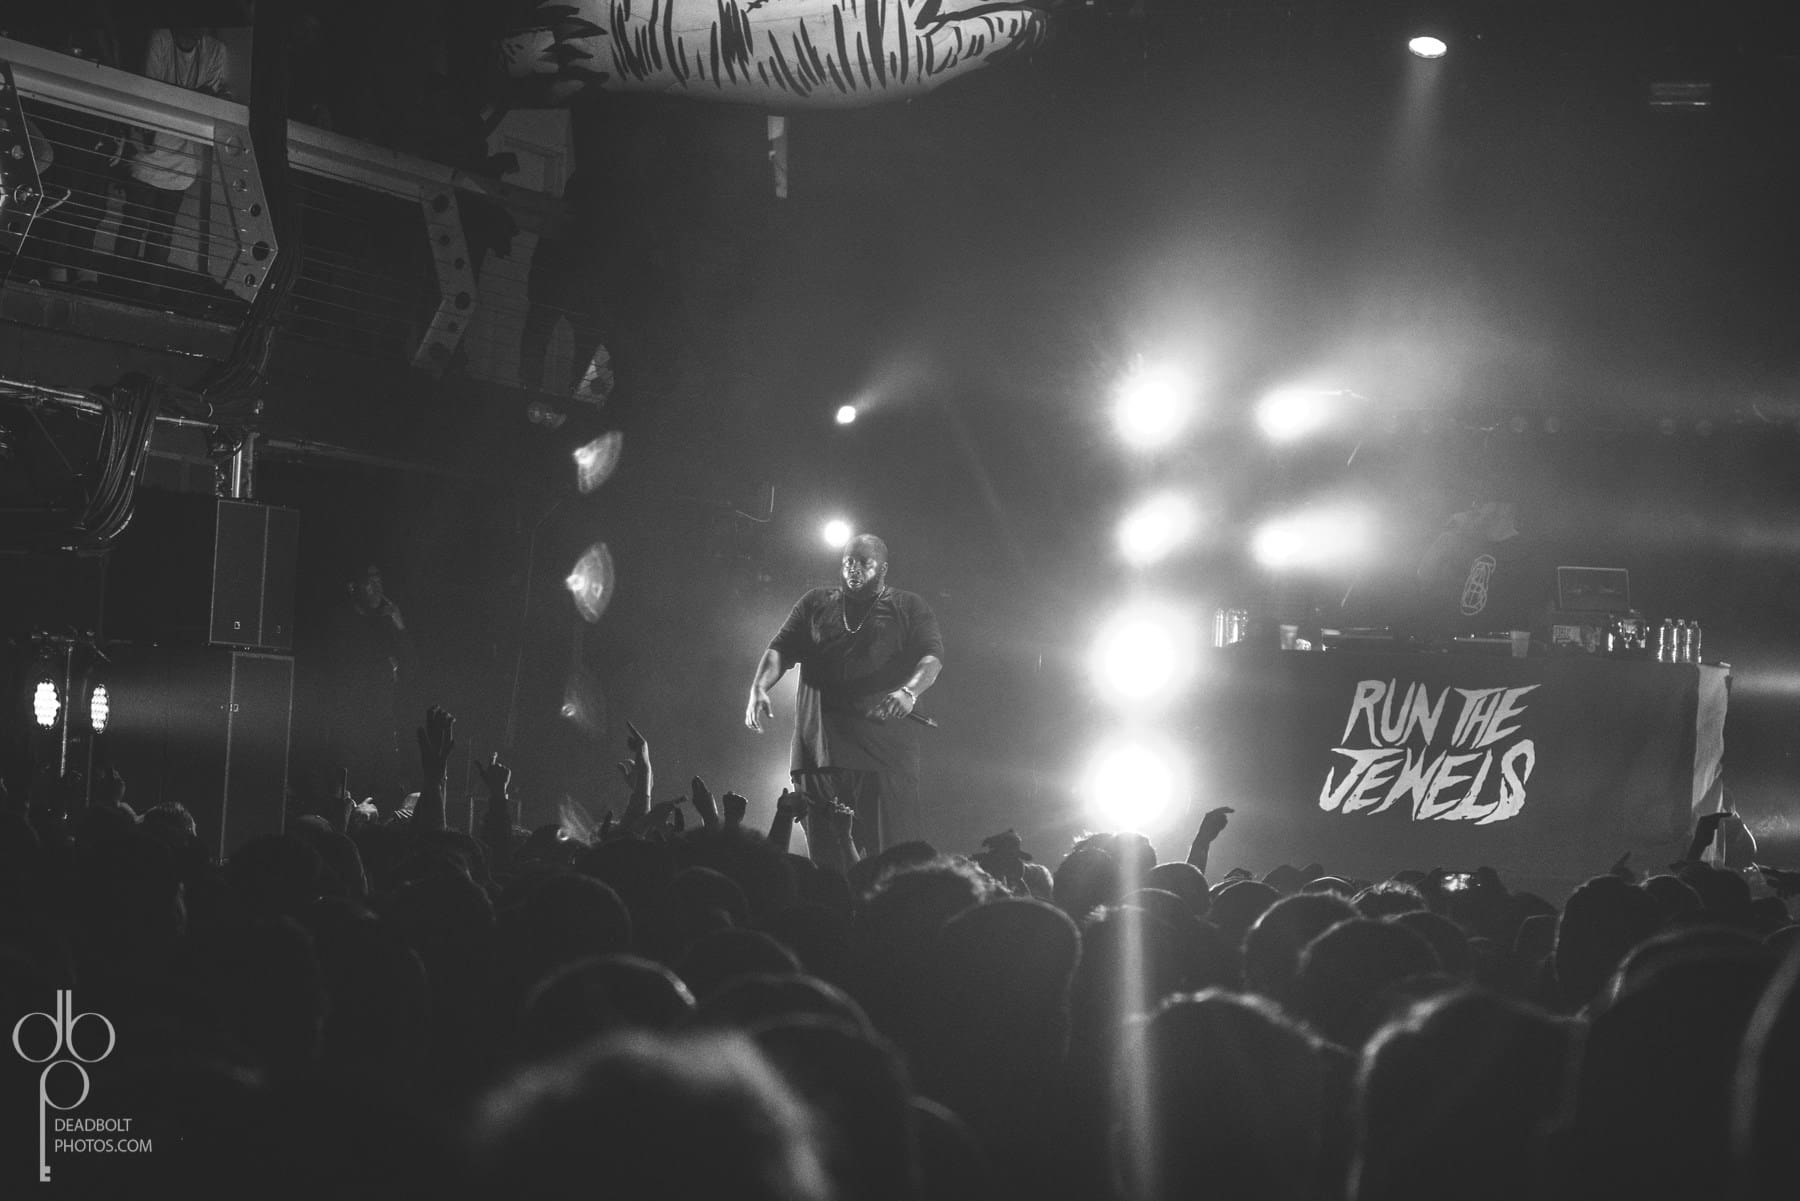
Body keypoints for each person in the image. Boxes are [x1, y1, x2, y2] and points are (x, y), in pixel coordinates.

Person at [745, 534, 944, 858]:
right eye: (849, 562)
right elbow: (780, 649)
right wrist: (758, 688)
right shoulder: (815, 603)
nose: (854, 569)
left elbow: (932, 657)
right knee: (827, 861)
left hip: (882, 758)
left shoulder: (908, 606)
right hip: (820, 754)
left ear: (883, 568)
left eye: (865, 563)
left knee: (889, 860)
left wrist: (910, 691)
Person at [117, 26, 230, 269]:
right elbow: (153, 92)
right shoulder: (162, 39)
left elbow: (206, 101)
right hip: (150, 151)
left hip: (181, 160)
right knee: (138, 225)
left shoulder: (214, 50)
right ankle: (121, 283)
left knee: (159, 230)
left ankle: (141, 286)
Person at [324, 563, 413, 808]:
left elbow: (410, 666)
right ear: (353, 587)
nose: (377, 588)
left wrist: (400, 626)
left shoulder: (384, 622)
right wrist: (385, 666)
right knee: (354, 791)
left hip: (383, 724)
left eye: (379, 581)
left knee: (386, 791)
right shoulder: (341, 622)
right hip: (352, 727)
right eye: (370, 583)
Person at [1411, 492, 1550, 642]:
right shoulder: (1464, 543)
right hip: (1456, 643)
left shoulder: (1527, 553)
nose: (1475, 507)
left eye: (1482, 502)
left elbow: (1535, 611)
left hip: (1500, 647)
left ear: (1505, 509)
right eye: (1475, 503)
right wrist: (1444, 539)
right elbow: (1424, 578)